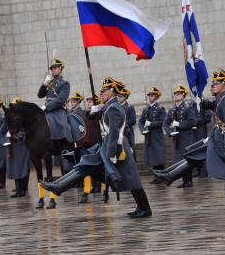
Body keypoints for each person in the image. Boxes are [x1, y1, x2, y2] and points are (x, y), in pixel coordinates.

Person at [151, 69, 225, 208]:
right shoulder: (223, 97)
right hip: (218, 138)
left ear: (224, 85)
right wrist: (203, 102)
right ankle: (167, 174)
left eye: (215, 83)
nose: (212, 86)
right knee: (199, 156)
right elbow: (220, 108)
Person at [41, 77, 152, 218]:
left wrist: (112, 153)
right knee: (86, 164)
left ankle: (145, 208)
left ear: (112, 92)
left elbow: (113, 133)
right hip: (107, 147)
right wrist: (93, 112)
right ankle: (59, 186)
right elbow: (99, 115)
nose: (101, 94)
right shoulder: (110, 106)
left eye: (103, 91)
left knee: (131, 179)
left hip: (116, 148)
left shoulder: (114, 108)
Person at [163, 85, 196, 188]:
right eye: (175, 94)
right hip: (177, 138)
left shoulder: (187, 108)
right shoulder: (172, 109)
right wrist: (170, 132)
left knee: (187, 160)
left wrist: (179, 124)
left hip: (186, 137)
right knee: (179, 160)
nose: (176, 96)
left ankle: (189, 180)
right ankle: (184, 180)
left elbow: (193, 122)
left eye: (178, 94)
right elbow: (165, 123)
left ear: (183, 96)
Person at [3, 97, 31, 198]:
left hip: (22, 146)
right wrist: (5, 140)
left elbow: (27, 132)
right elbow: (1, 131)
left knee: (22, 168)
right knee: (15, 168)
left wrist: (19, 135)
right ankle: (18, 190)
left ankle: (23, 189)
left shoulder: (25, 119)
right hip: (11, 147)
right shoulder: (10, 117)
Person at [138, 86, 166, 183]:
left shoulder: (160, 108)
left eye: (152, 95)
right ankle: (156, 176)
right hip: (148, 136)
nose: (150, 97)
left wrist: (151, 124)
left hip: (156, 135)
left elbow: (163, 121)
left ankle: (161, 177)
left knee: (159, 157)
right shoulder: (146, 109)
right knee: (152, 158)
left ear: (156, 97)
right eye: (149, 95)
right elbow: (140, 121)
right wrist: (143, 130)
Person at [118, 88, 137, 161]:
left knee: (130, 154)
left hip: (127, 133)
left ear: (125, 97)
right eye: (118, 96)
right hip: (120, 134)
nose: (119, 98)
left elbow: (133, 120)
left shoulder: (129, 107)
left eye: (121, 96)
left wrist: (122, 122)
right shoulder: (117, 107)